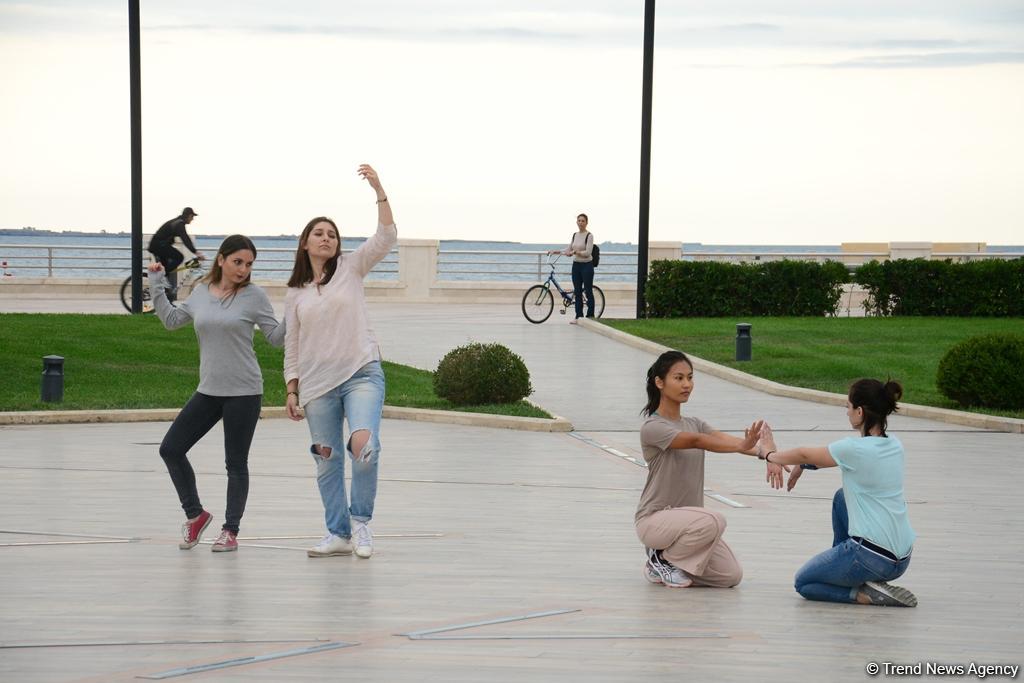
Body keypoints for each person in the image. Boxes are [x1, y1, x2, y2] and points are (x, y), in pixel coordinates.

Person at [284, 163, 396, 560]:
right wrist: (292, 389)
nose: (326, 238)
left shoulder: (351, 268)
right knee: (326, 459)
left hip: (361, 373)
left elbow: (386, 236)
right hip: (316, 386)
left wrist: (378, 189)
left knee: (365, 446)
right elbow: (292, 346)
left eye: (332, 234)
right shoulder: (295, 292)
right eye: (319, 233)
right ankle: (338, 533)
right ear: (305, 243)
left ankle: (361, 524)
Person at [149, 234, 285, 552]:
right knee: (170, 448)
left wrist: (297, 311)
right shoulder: (200, 292)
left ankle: (230, 531)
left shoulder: (254, 296)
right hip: (208, 390)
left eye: (249, 264)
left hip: (244, 392)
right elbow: (170, 321)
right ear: (221, 259)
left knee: (235, 463)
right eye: (237, 262)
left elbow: (276, 338)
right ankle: (195, 516)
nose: (243, 269)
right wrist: (156, 283)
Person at [753, 379, 918, 607]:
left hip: (871, 558)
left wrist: (768, 454)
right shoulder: (895, 445)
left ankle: (861, 594)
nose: (846, 412)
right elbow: (818, 459)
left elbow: (803, 453)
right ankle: (849, 570)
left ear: (860, 412)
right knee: (843, 497)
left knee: (804, 583)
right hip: (902, 559)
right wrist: (802, 466)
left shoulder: (854, 448)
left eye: (848, 407)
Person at [635, 350, 782, 588]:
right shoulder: (653, 427)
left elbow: (722, 439)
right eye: (679, 378)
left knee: (730, 576)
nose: (687, 385)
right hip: (655, 521)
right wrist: (746, 445)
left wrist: (767, 453)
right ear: (659, 382)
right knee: (715, 520)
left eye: (690, 378)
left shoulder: (695, 423)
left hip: (690, 523)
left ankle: (670, 563)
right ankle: (659, 558)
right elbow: (697, 441)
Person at [148, 207, 206, 302]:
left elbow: (184, 238)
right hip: (158, 246)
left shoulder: (177, 222)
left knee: (165, 270)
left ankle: (166, 295)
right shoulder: (179, 224)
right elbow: (185, 238)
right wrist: (196, 252)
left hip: (159, 246)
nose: (193, 219)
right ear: (189, 216)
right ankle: (162, 280)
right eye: (192, 217)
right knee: (179, 257)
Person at [546, 213, 595, 323]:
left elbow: (588, 252)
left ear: (586, 223)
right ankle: (578, 317)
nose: (581, 222)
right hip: (576, 266)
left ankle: (590, 316)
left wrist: (576, 252)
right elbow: (568, 249)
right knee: (577, 292)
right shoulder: (575, 235)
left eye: (583, 221)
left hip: (587, 265)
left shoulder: (589, 236)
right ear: (576, 222)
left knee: (588, 291)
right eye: (579, 220)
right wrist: (555, 252)